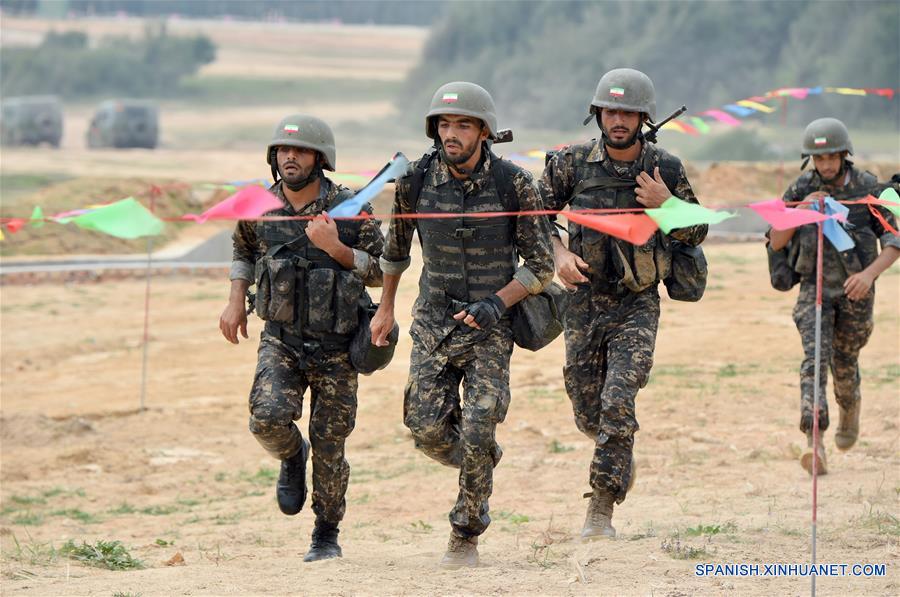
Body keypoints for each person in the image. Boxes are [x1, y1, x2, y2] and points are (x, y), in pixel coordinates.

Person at [370, 82, 554, 568]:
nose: (452, 134)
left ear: (484, 132)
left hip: (491, 325)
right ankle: (480, 461)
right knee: (425, 427)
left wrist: (499, 302)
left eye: (463, 125)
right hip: (434, 321)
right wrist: (385, 308)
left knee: (479, 424)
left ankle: (466, 531)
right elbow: (395, 252)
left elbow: (540, 267)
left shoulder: (515, 184)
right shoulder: (413, 181)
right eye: (445, 125)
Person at [539, 68, 707, 539]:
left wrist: (665, 203)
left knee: (618, 401)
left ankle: (601, 506)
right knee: (585, 406)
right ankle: (617, 451)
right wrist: (558, 254)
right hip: (583, 300)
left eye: (627, 112)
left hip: (637, 302)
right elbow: (534, 219)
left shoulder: (664, 167)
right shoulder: (568, 164)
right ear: (597, 114)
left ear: (642, 118)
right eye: (610, 111)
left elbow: (697, 231)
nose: (618, 120)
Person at [219, 114, 384, 561]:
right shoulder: (259, 207)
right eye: (283, 151)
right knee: (267, 418)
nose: (290, 157)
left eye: (301, 151)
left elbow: (381, 269)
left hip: (337, 346)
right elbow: (243, 250)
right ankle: (293, 456)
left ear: (320, 159)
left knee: (331, 446)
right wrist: (236, 299)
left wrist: (336, 249)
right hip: (282, 339)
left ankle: (325, 535)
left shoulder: (351, 208)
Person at [767, 117, 900, 475]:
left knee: (844, 364)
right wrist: (798, 211)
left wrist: (868, 276)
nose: (824, 165)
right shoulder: (801, 188)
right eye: (818, 158)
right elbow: (775, 240)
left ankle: (850, 404)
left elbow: (894, 240)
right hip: (814, 289)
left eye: (831, 157)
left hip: (856, 292)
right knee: (814, 362)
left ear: (844, 155)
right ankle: (815, 441)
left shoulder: (867, 186)